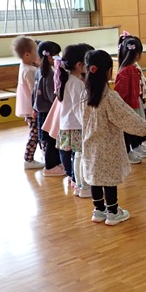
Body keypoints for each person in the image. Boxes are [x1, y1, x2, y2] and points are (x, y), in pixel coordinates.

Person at [82, 50, 146, 226]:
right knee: (109, 179)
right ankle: (113, 212)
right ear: (108, 72)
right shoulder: (109, 97)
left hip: (90, 142)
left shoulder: (84, 95)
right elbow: (127, 117)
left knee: (95, 177)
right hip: (108, 145)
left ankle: (98, 210)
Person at [56, 43, 94, 197]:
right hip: (77, 125)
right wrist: (87, 124)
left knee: (77, 155)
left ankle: (78, 184)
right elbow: (80, 108)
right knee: (81, 156)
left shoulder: (67, 79)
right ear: (79, 65)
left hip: (69, 124)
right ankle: (83, 186)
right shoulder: (76, 83)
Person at [115, 34, 146, 164]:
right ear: (137, 54)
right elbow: (120, 93)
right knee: (127, 131)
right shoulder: (126, 71)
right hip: (128, 106)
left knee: (136, 127)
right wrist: (123, 108)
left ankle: (136, 146)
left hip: (135, 103)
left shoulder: (133, 68)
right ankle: (127, 152)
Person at [32, 40, 64, 177]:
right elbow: (52, 96)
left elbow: (34, 93)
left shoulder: (39, 70)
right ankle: (50, 166)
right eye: (57, 54)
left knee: (50, 139)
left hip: (41, 111)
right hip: (49, 111)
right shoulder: (49, 73)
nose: (59, 57)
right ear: (50, 57)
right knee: (52, 139)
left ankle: (55, 163)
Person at [12, 35, 43, 169]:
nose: (37, 54)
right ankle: (28, 159)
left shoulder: (25, 65)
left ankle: (41, 155)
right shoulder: (30, 70)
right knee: (34, 134)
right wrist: (36, 108)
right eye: (35, 51)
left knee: (36, 132)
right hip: (32, 108)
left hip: (28, 106)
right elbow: (33, 91)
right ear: (27, 54)